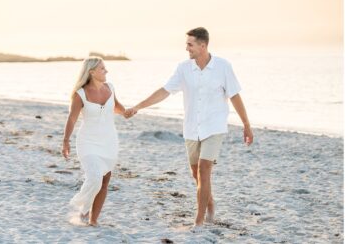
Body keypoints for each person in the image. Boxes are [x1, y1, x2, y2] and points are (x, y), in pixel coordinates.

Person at [125, 27, 254, 232]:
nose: (187, 48)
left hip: (214, 127)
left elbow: (235, 96)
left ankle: (199, 221)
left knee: (204, 170)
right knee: (196, 175)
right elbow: (164, 91)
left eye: (190, 44)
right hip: (192, 129)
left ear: (203, 45)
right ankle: (210, 204)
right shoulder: (183, 68)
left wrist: (246, 125)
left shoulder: (223, 67)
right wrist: (138, 106)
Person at [62, 56, 127, 227]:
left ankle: (93, 220)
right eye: (102, 68)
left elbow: (116, 106)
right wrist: (65, 141)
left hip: (109, 141)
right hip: (88, 143)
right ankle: (82, 209)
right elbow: (72, 119)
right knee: (95, 177)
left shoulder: (110, 88)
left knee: (105, 181)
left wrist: (126, 112)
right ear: (91, 72)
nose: (106, 71)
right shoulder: (80, 94)